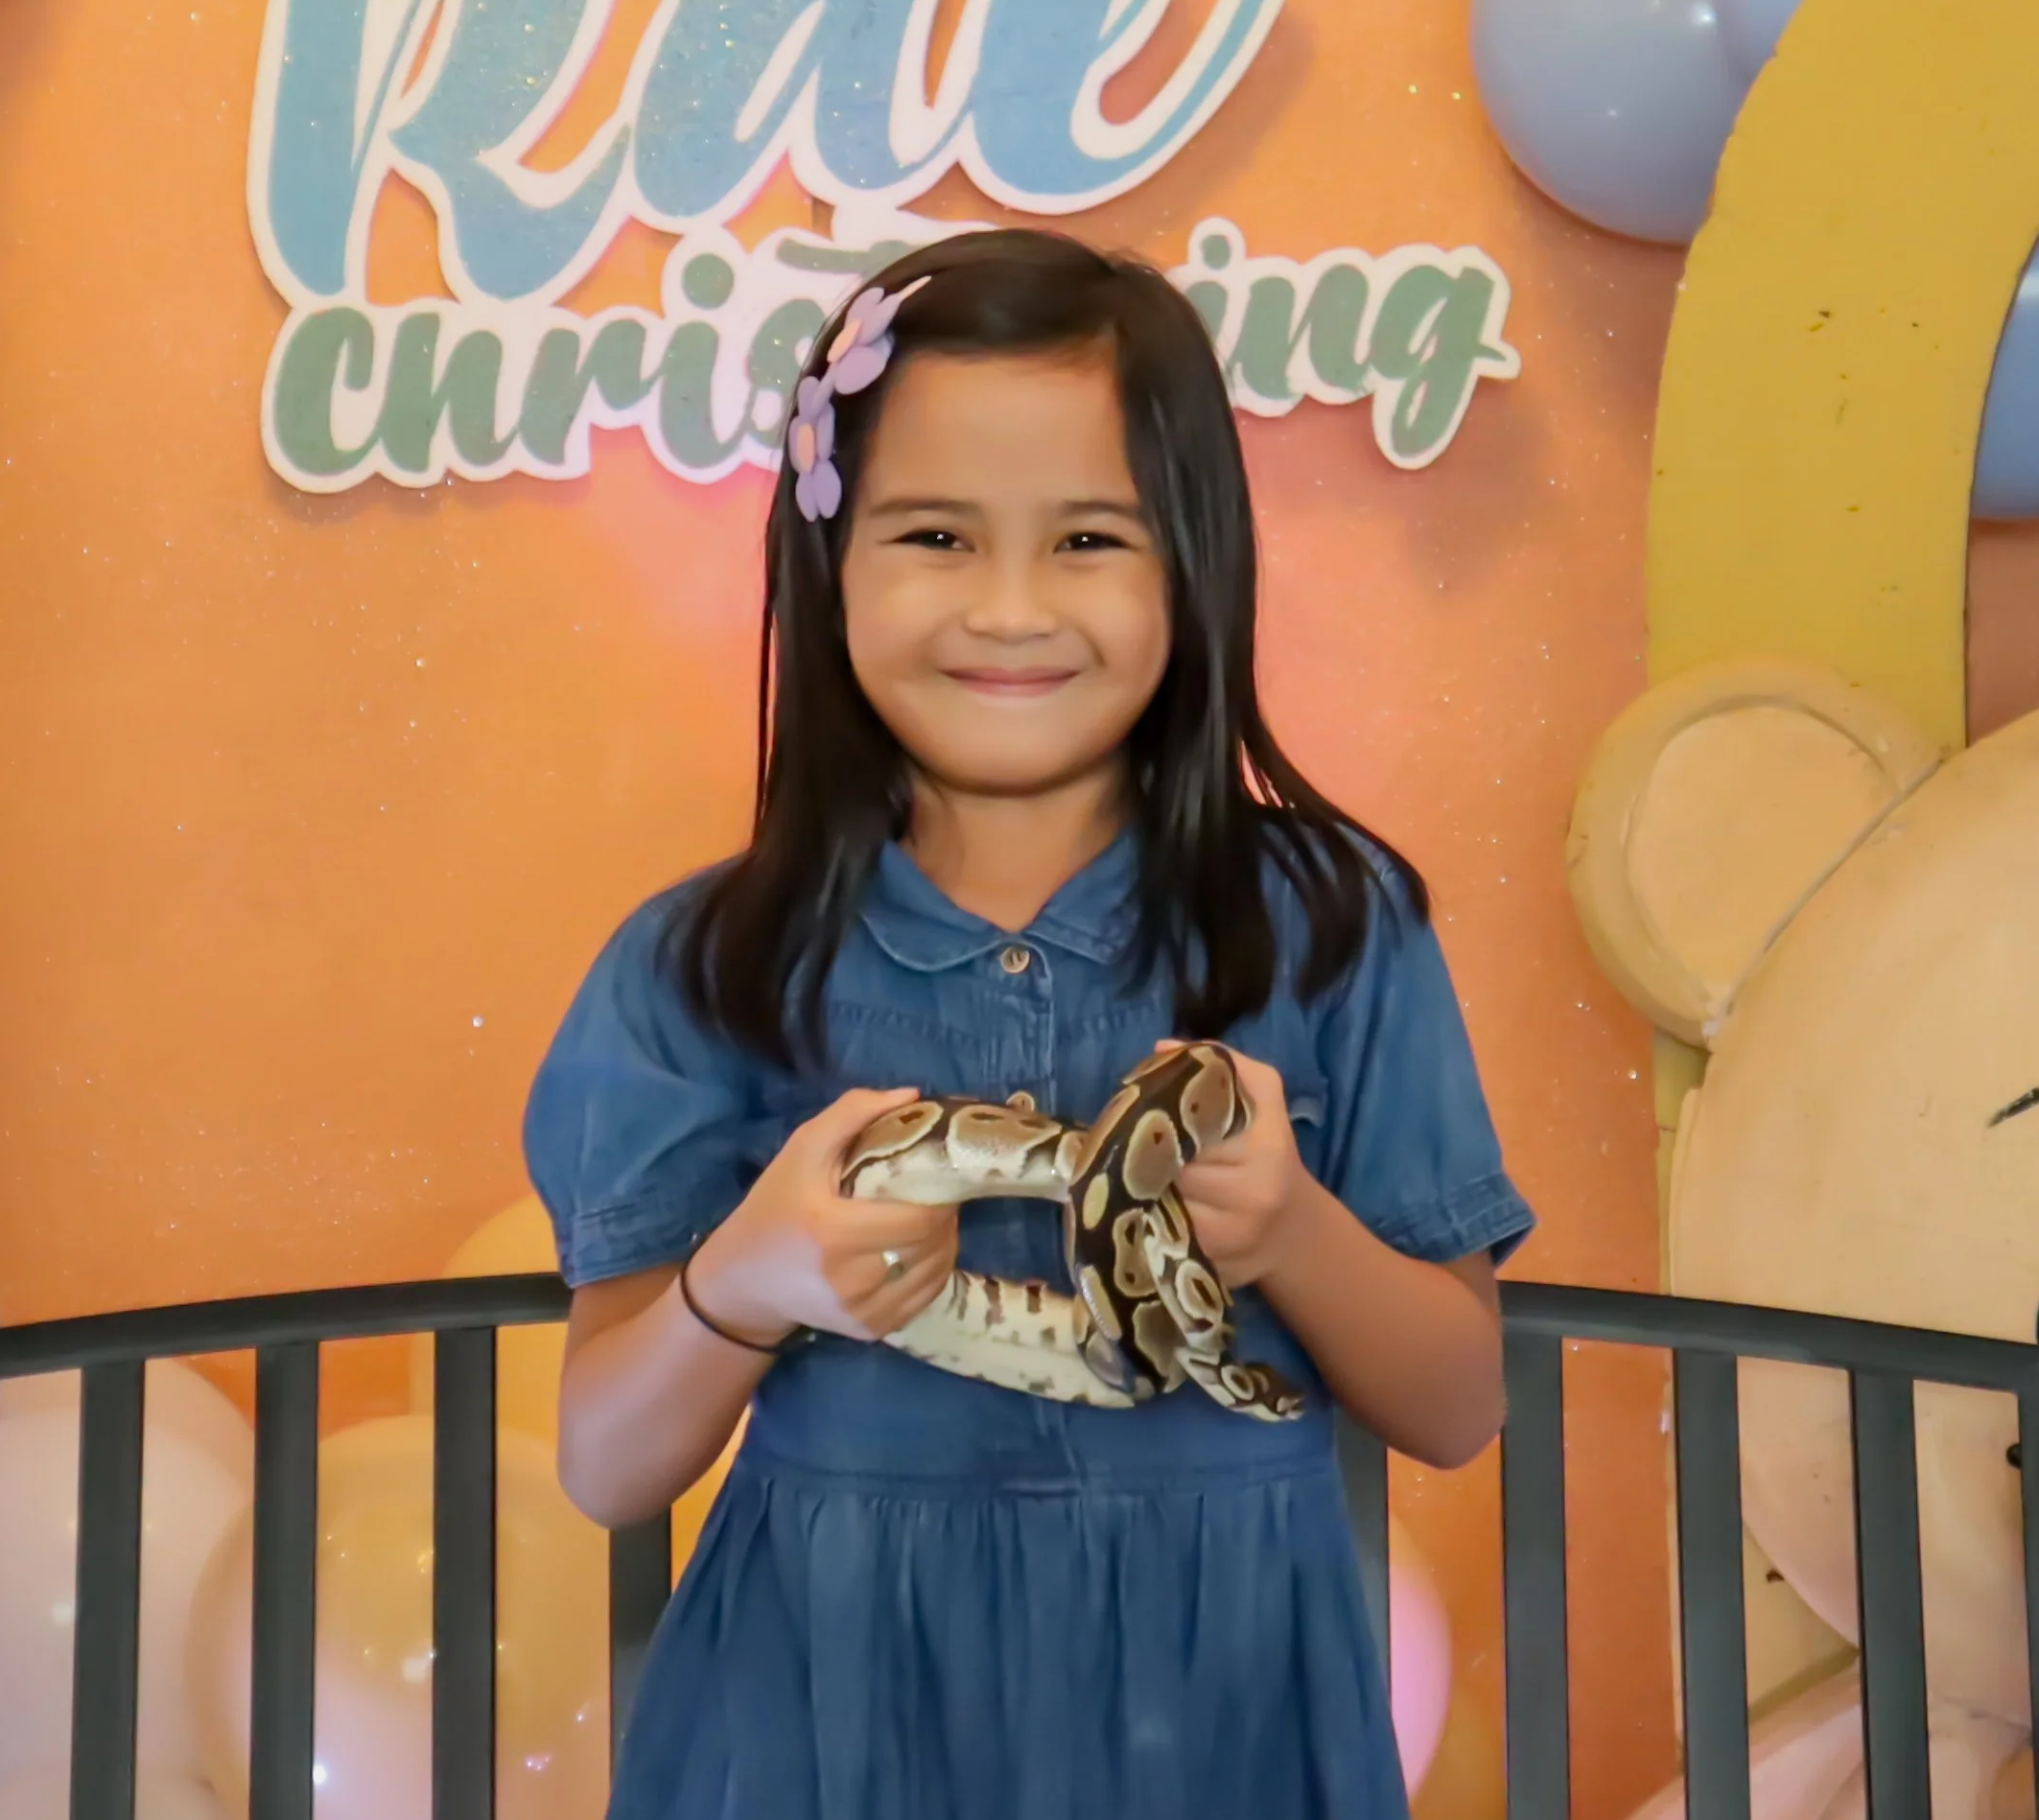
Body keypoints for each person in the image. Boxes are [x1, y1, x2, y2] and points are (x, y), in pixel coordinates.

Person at [525, 226, 1532, 1820]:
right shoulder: (698, 967)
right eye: (934, 533)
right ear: (826, 558)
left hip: (1217, 1719)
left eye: (1086, 538)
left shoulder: (1332, 924)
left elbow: (1459, 1403)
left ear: (1193, 562)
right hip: (821, 1713)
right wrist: (744, 1280)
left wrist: (1291, 1232)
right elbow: (605, 1462)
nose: (1007, 608)